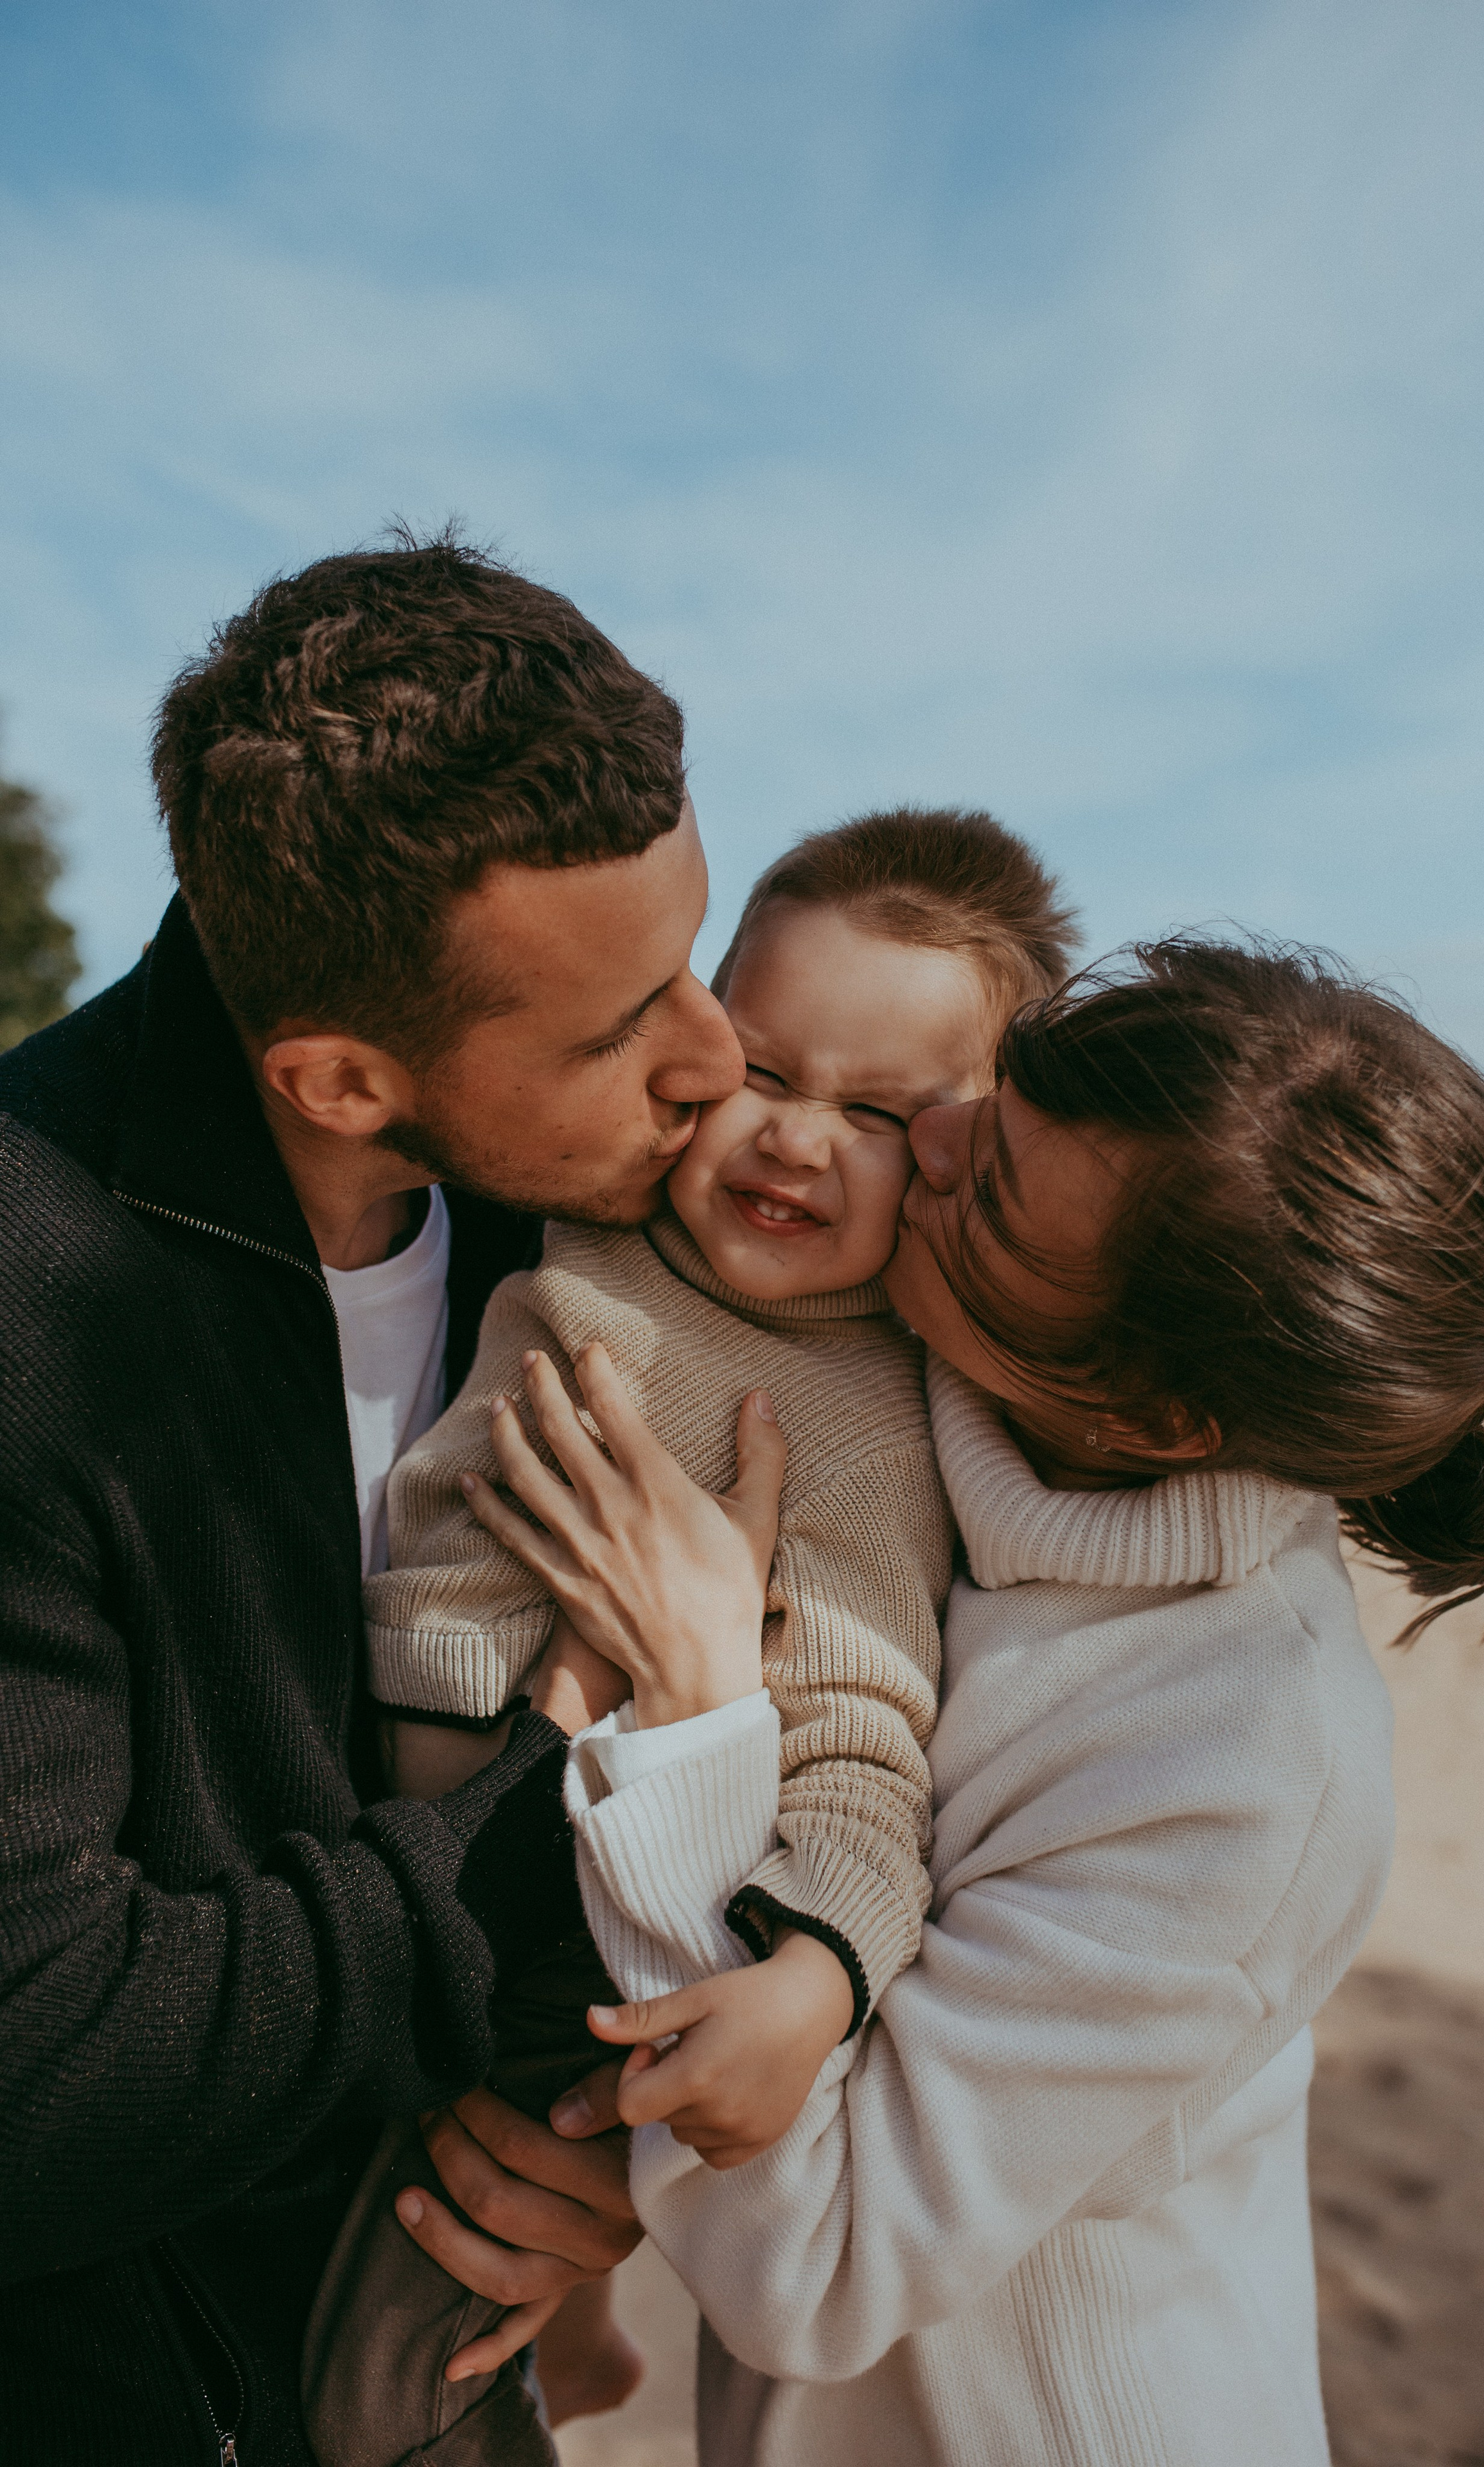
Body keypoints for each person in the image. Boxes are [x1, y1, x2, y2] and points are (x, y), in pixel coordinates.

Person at [463, 939, 1484, 2466]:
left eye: (987, 1187)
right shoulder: (952, 1385)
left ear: (1148, 1416)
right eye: (989, 1100)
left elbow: (818, 2265)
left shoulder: (1241, 1767)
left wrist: (693, 1704)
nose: (923, 1135)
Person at [0, 531, 750, 2466]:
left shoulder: (618, 1226)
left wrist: (592, 2154)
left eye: (697, 951)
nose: (719, 1059)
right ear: (338, 1078)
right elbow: (39, 2078)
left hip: (440, 2373)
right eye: (621, 1025)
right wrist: (562, 1785)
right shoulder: (25, 1301)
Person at [300, 806, 1079, 2465]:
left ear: (962, 1160)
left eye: (880, 1115)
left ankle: (551, 2359)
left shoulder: (857, 1428)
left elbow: (865, 1745)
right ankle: (578, 2344)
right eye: (767, 1071)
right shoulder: (583, 1210)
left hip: (573, 1928)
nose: (798, 1139)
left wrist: (822, 1972)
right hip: (385, 1842)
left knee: (374, 2380)